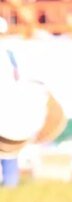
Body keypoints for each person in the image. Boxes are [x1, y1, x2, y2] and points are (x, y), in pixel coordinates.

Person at [0, 17, 20, 187]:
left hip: (6, 103)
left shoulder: (8, 52)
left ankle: (10, 183)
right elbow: (17, 77)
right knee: (8, 147)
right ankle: (10, 183)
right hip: (8, 104)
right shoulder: (9, 53)